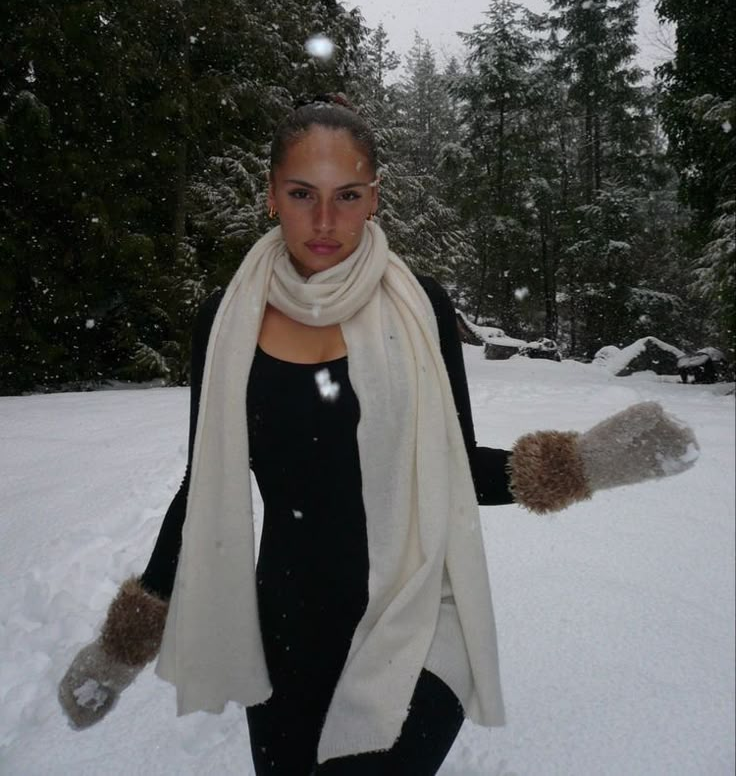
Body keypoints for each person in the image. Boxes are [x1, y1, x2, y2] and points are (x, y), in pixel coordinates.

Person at [58, 97, 698, 775]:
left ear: (374, 200)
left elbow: (454, 467)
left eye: (348, 195)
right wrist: (121, 648)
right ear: (271, 196)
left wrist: (586, 462)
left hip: (415, 612)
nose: (326, 220)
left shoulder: (420, 307)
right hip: (286, 633)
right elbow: (203, 490)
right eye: (303, 194)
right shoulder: (226, 320)